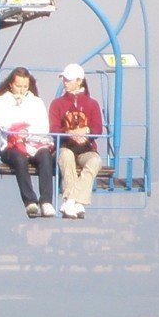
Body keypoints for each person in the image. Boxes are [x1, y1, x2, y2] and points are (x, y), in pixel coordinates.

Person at [0, 66, 56, 217]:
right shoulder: (2, 101)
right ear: (11, 85)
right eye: (18, 86)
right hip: (10, 145)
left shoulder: (35, 102)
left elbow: (42, 125)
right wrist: (17, 128)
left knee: (45, 155)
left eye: (25, 87)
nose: (21, 90)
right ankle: (30, 201)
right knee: (19, 160)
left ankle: (46, 201)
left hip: (33, 143)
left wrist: (26, 131)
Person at [48, 63, 105, 219]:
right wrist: (69, 133)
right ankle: (77, 202)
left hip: (86, 148)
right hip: (65, 145)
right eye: (64, 79)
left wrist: (85, 131)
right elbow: (53, 129)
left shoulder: (92, 104)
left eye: (69, 80)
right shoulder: (57, 104)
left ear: (79, 81)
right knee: (66, 157)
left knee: (95, 161)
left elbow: (97, 129)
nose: (65, 83)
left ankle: (71, 200)